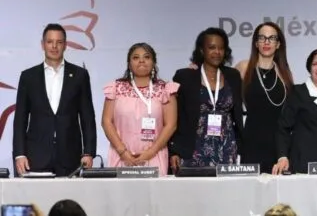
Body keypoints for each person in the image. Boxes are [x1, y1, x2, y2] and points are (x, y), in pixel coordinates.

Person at [12, 23, 97, 177]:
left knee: (70, 193)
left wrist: (89, 152)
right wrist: (19, 154)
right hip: (35, 155)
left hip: (70, 155)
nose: (54, 46)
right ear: (43, 45)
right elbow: (20, 120)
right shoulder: (28, 77)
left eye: (59, 42)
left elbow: (87, 117)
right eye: (50, 41)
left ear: (65, 45)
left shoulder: (80, 75)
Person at [169, 28, 243, 170]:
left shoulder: (233, 76)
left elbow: (237, 115)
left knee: (226, 184)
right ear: (202, 50)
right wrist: (174, 151)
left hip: (227, 147)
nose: (217, 52)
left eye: (221, 48)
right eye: (212, 47)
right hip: (193, 149)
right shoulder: (185, 77)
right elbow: (177, 117)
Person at [101, 43, 178, 173]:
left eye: (146, 57)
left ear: (154, 62)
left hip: (154, 156)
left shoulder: (165, 89)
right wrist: (122, 152)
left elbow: (171, 125)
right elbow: (106, 122)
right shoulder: (115, 88)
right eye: (136, 57)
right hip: (121, 156)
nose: (141, 60)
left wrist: (151, 152)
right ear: (129, 64)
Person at [235, 22, 294, 173]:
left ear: (278, 44)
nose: (267, 42)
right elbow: (218, 82)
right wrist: (196, 69)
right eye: (262, 38)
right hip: (250, 142)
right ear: (256, 43)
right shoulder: (244, 67)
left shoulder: (284, 74)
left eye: (272, 38)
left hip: (278, 146)